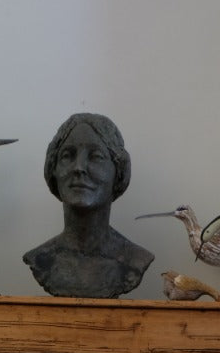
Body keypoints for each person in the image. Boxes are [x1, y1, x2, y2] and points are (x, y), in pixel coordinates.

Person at [23, 113, 153, 298]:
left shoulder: (135, 260)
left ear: (118, 172)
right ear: (53, 169)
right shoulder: (41, 259)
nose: (79, 167)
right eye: (68, 155)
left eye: (96, 156)